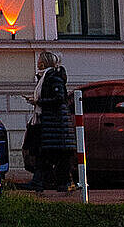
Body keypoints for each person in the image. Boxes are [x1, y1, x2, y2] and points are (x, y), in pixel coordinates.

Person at [25, 50, 75, 192]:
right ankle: (44, 181)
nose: (37, 62)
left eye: (40, 60)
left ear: (43, 62)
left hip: (53, 123)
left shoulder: (52, 77)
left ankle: (46, 182)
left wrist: (39, 102)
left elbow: (59, 98)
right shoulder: (45, 77)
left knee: (48, 154)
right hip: (49, 123)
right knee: (44, 153)